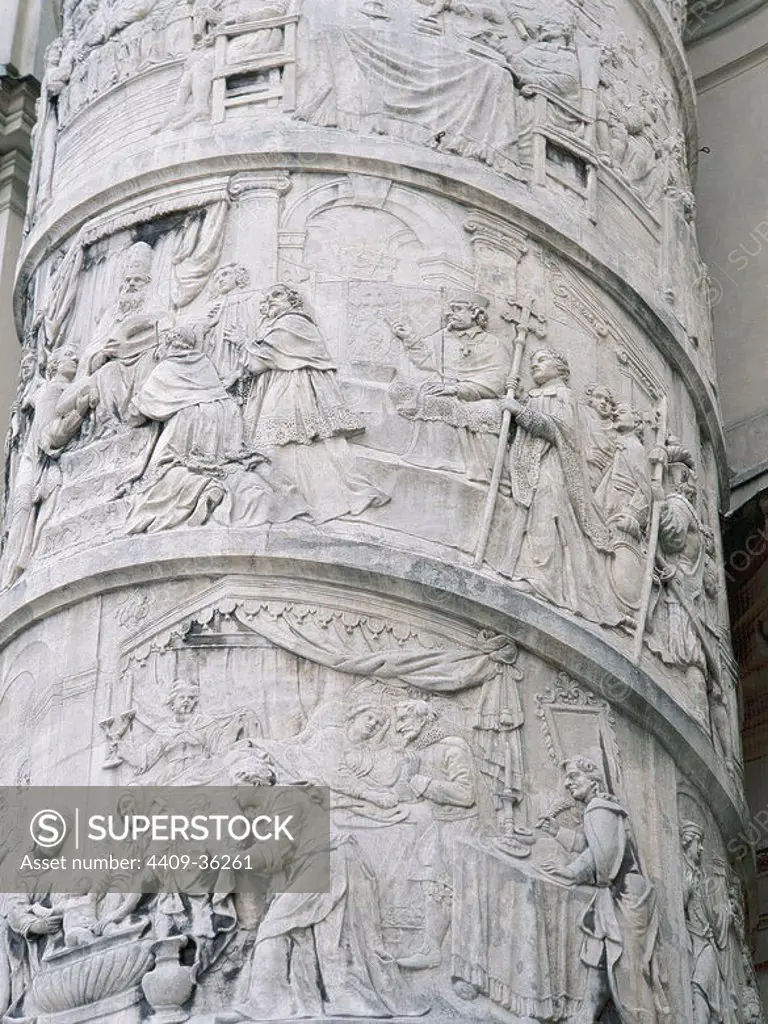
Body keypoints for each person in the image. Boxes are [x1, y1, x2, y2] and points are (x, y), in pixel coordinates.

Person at [486, 348, 624, 627]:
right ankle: (528, 572)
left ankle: (543, 582)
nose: (535, 364)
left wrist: (519, 411)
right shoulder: (536, 395)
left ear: (561, 368)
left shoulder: (562, 394)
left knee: (545, 518)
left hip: (553, 467)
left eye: (542, 360)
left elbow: (558, 430)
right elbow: (522, 431)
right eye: (532, 362)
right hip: (530, 465)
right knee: (531, 519)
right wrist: (514, 405)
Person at [241, 284, 389, 522]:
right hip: (282, 386)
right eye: (268, 297)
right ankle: (293, 500)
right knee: (286, 447)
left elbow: (257, 364)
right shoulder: (278, 325)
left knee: (281, 445)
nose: (271, 300)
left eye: (277, 295)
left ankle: (300, 501)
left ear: (293, 301)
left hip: (291, 390)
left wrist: (246, 344)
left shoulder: (292, 323)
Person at [539, 756, 666, 1024]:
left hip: (625, 895)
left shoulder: (599, 808)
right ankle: (586, 1013)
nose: (567, 783)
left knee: (627, 967)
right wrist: (557, 832)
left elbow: (603, 856)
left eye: (574, 777)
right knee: (601, 953)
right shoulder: (599, 810)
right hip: (618, 893)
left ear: (594, 781)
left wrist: (571, 871)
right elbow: (592, 844)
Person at [390, 294, 512, 482]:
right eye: (451, 309)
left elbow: (497, 379)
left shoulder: (492, 344)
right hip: (444, 388)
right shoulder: (443, 338)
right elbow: (425, 358)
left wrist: (458, 389)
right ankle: (439, 459)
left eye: (457, 309)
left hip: (476, 395)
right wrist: (409, 338)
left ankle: (481, 469)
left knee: (487, 412)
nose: (450, 314)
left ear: (475, 313)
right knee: (434, 397)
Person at [393, 699, 477, 970]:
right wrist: (408, 775)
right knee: (433, 888)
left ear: (422, 719)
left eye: (403, 720)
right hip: (440, 826)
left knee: (452, 891)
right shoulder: (416, 751)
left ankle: (454, 958)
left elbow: (466, 794)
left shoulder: (452, 747)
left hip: (463, 829)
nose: (398, 727)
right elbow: (404, 796)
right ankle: (431, 949)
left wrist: (421, 782)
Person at [78, 241, 165, 435]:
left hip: (143, 358)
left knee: (150, 365)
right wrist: (98, 356)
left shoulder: (153, 304)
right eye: (128, 281)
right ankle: (113, 422)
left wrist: (133, 345)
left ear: (147, 283)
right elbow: (94, 346)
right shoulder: (111, 314)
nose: (131, 284)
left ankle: (140, 414)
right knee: (108, 372)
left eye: (137, 280)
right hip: (113, 364)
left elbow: (163, 325)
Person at [680, 821, 729, 1024]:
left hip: (704, 940)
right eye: (698, 842)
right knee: (698, 985)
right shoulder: (683, 868)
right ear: (687, 842)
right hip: (693, 939)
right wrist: (687, 887)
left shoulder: (697, 872)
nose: (701, 848)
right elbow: (679, 902)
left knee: (703, 985)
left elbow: (708, 911)